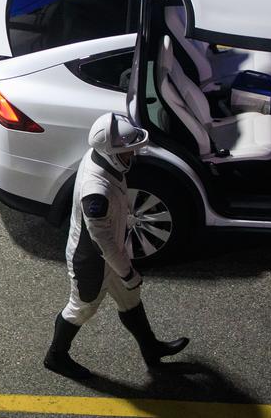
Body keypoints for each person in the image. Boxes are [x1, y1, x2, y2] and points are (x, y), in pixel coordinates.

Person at [43, 112, 189, 379]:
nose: (131, 157)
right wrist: (127, 272)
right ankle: (56, 357)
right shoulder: (95, 192)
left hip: (109, 256)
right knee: (81, 308)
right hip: (92, 262)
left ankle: (151, 350)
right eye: (126, 153)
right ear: (111, 154)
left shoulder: (99, 157)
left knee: (130, 300)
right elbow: (103, 242)